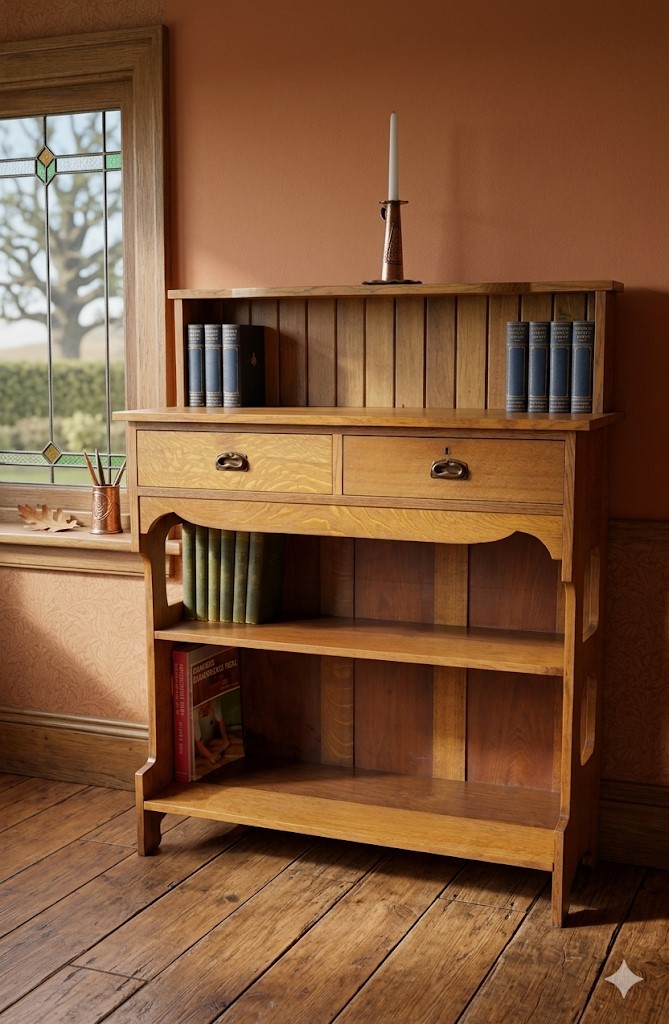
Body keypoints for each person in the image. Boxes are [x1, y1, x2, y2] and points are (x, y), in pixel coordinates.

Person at [193, 696, 230, 766]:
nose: (206, 711)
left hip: (210, 700)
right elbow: (199, 743)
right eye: (204, 712)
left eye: (208, 708)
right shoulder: (193, 713)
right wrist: (211, 757)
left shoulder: (214, 701)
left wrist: (225, 739)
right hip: (193, 711)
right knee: (201, 753)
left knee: (226, 743)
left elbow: (220, 721)